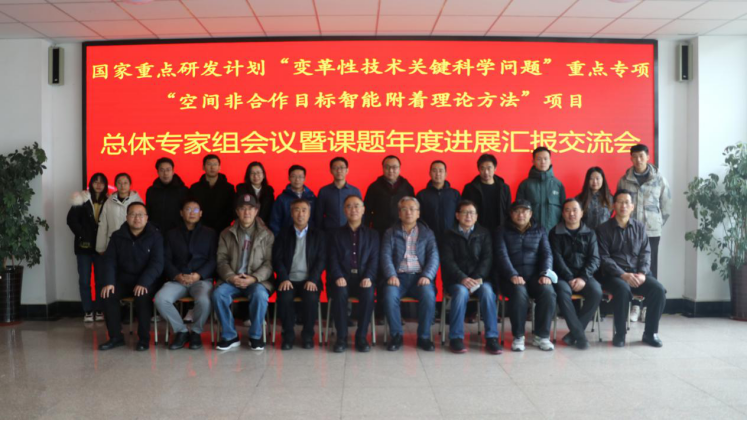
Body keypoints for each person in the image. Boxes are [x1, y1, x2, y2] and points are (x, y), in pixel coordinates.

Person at [597, 190, 666, 349]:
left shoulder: (640, 227)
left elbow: (646, 253)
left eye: (627, 202)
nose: (624, 205)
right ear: (614, 205)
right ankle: (620, 334)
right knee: (622, 289)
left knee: (658, 290)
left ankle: (650, 333)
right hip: (614, 275)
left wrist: (642, 273)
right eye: (620, 202)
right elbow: (604, 258)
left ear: (632, 207)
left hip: (637, 273)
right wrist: (623, 274)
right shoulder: (603, 229)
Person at [212, 194, 275, 352]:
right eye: (242, 208)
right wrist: (231, 277)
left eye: (250, 208)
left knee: (260, 295)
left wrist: (254, 278)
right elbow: (221, 260)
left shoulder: (267, 234)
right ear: (237, 211)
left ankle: (255, 335)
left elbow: (269, 263)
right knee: (218, 294)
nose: (247, 212)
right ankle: (230, 336)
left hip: (256, 281)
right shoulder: (226, 233)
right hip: (232, 279)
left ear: (256, 211)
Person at [98, 202, 164, 352]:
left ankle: (144, 339)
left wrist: (144, 282)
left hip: (147, 280)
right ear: (127, 217)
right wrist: (109, 282)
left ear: (146, 218)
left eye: (140, 214)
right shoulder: (117, 236)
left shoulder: (155, 236)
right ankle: (115, 337)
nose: (137, 218)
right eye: (133, 214)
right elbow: (109, 261)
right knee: (108, 294)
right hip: (124, 279)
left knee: (142, 296)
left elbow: (157, 263)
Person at [154, 198, 217, 351]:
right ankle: (181, 331)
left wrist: (199, 275)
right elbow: (166, 259)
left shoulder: (210, 233)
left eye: (195, 210)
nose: (192, 213)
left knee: (204, 300)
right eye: (188, 209)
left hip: (201, 280)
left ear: (201, 213)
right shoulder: (171, 234)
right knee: (161, 299)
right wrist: (176, 275)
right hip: (178, 280)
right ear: (181, 213)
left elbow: (214, 259)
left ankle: (196, 332)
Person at [495, 199, 556, 353]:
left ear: (530, 214)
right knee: (519, 292)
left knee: (548, 291)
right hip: (510, 278)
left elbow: (547, 254)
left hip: (535, 276)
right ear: (511, 214)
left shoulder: (540, 230)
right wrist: (512, 274)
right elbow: (501, 255)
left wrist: (545, 273)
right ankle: (518, 336)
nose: (521, 215)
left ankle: (542, 336)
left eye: (524, 211)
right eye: (517, 211)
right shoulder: (501, 230)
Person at [440, 200, 502, 355]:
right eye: (465, 212)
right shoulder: (448, 234)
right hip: (456, 280)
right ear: (457, 215)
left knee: (488, 292)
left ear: (476, 216)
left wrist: (476, 278)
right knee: (461, 293)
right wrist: (462, 278)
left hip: (480, 279)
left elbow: (487, 258)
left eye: (472, 213)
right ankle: (456, 338)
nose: (468, 216)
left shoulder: (484, 233)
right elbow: (447, 261)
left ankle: (492, 337)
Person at [381, 197, 439, 352]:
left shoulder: (427, 233)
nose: (409, 212)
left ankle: (424, 337)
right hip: (397, 277)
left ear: (418, 213)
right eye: (404, 209)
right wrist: (391, 275)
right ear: (399, 213)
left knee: (428, 296)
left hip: (420, 277)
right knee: (389, 296)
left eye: (412, 209)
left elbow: (434, 256)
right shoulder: (390, 232)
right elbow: (385, 256)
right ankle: (396, 336)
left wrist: (427, 276)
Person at [327, 195, 379, 353]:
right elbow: (332, 259)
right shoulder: (335, 234)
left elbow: (374, 260)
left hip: (363, 278)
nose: (353, 209)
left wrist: (369, 277)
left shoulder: (373, 234)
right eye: (349, 206)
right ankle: (341, 337)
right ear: (344, 211)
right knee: (339, 293)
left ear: (363, 210)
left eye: (357, 206)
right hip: (342, 278)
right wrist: (338, 276)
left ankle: (361, 337)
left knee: (368, 294)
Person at [273, 199, 326, 350]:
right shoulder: (283, 234)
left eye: (304, 210)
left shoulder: (318, 235)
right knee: (284, 297)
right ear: (291, 213)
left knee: (311, 298)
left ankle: (308, 335)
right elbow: (277, 259)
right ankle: (288, 336)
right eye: (296, 210)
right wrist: (284, 278)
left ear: (309, 214)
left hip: (309, 280)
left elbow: (322, 259)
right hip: (288, 279)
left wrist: (313, 279)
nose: (300, 214)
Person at [550, 198, 602, 350]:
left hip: (584, 276)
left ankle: (573, 334)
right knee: (562, 292)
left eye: (575, 210)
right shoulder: (555, 233)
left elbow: (595, 259)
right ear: (563, 213)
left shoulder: (590, 233)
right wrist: (570, 278)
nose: (571, 213)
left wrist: (583, 277)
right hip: (562, 276)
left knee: (596, 291)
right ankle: (580, 336)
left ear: (581, 213)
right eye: (567, 210)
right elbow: (556, 259)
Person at [617, 144, 672, 280]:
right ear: (631, 158)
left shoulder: (659, 179)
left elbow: (666, 205)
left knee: (650, 264)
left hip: (651, 231)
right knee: (629, 263)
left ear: (648, 157)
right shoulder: (624, 181)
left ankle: (652, 291)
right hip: (629, 230)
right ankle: (632, 291)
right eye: (635, 157)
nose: (638, 160)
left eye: (641, 156)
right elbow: (619, 205)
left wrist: (656, 223)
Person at [67, 173, 108, 324]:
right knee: (84, 281)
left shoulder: (109, 201)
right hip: (84, 247)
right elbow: (71, 220)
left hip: (102, 247)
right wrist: (84, 234)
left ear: (105, 185)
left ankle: (99, 309)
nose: (98, 185)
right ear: (90, 184)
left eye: (102, 182)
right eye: (95, 182)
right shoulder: (81, 199)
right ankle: (88, 310)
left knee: (100, 280)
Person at [364, 156, 415, 237]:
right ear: (383, 168)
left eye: (394, 167)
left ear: (399, 168)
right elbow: (366, 211)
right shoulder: (374, 187)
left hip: (402, 232)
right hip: (379, 232)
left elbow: (413, 210)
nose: (390, 170)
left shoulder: (407, 188)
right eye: (387, 167)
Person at [517, 147, 566, 231]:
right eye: (539, 159)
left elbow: (564, 211)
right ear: (533, 161)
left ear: (550, 161)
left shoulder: (558, 185)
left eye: (545, 159)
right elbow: (519, 210)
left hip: (553, 233)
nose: (543, 162)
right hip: (530, 232)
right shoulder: (525, 185)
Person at [461, 154, 512, 234]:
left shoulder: (504, 188)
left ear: (495, 168)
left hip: (499, 230)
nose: (486, 172)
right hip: (476, 230)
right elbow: (463, 209)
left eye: (489, 168)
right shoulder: (470, 188)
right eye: (482, 168)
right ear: (478, 169)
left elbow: (508, 210)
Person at [96, 173, 143, 254]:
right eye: (119, 183)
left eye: (125, 183)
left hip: (133, 245)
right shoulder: (109, 202)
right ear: (115, 184)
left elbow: (143, 226)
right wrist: (100, 248)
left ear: (130, 184)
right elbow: (103, 225)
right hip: (113, 244)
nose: (122, 185)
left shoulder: (138, 202)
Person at [416, 160, 461, 243]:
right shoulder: (422, 195)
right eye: (434, 171)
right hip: (429, 238)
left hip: (451, 237)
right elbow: (418, 217)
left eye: (440, 171)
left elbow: (459, 215)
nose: (438, 174)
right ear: (430, 173)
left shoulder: (454, 194)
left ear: (446, 174)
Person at [190, 154, 236, 233]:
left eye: (215, 164)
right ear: (203, 167)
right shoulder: (195, 188)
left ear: (219, 167)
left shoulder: (229, 188)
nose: (212, 167)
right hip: (200, 229)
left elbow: (231, 209)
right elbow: (192, 208)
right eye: (209, 164)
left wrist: (222, 223)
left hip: (223, 229)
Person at [315, 157, 362, 231]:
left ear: (347, 170)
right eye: (335, 168)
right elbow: (319, 215)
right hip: (329, 232)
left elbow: (360, 213)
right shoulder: (324, 191)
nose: (339, 171)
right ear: (331, 170)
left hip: (350, 231)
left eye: (342, 168)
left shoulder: (355, 191)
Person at [146, 157, 189, 235]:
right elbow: (148, 213)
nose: (165, 173)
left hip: (178, 233)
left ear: (173, 171)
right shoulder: (151, 191)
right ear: (158, 172)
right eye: (162, 170)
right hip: (156, 233)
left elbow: (187, 212)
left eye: (168, 170)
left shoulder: (183, 190)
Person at [269, 165, 316, 236]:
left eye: (300, 177)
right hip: (287, 237)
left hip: (308, 237)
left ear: (304, 178)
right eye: (294, 176)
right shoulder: (281, 199)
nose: (297, 179)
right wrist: (279, 238)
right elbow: (275, 221)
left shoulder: (311, 197)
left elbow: (316, 219)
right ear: (289, 178)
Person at [236, 162, 275, 226]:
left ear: (263, 175)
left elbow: (271, 213)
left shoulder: (269, 192)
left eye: (258, 173)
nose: (256, 176)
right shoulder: (241, 190)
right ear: (248, 176)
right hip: (244, 225)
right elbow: (236, 210)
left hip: (264, 226)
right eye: (252, 173)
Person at [577, 167, 614, 231]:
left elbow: (610, 214)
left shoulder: (610, 198)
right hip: (585, 234)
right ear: (587, 180)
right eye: (591, 179)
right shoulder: (579, 198)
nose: (595, 181)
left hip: (604, 234)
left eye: (597, 178)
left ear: (602, 179)